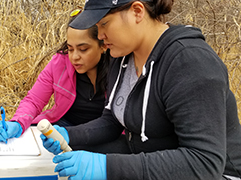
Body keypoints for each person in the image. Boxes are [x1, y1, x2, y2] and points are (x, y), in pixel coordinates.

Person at [41, 0, 241, 179]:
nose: (100, 36)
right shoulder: (121, 58)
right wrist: (69, 135)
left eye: (104, 24)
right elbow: (112, 121)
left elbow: (205, 163)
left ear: (137, 11)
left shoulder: (189, 62)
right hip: (149, 159)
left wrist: (107, 167)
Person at [0, 9, 108, 144]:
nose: (75, 57)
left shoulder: (118, 69)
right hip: (63, 128)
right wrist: (18, 122)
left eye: (83, 49)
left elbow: (116, 124)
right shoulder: (59, 63)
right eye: (70, 49)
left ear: (103, 46)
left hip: (104, 136)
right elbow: (34, 100)